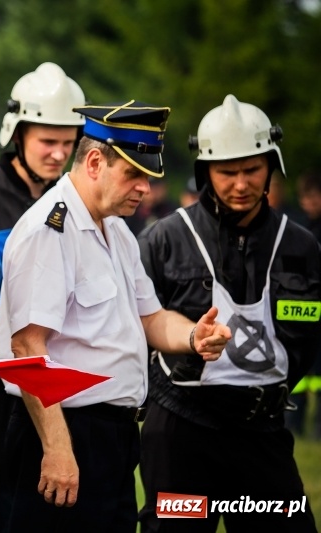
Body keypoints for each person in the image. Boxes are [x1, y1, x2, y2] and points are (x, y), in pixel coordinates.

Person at [0, 100, 231, 532]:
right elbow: (27, 348)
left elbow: (151, 318)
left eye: (148, 177)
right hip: (64, 429)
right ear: (95, 162)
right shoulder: (49, 230)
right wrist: (58, 447)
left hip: (114, 436)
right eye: (134, 174)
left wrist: (195, 336)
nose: (144, 188)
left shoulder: (116, 227)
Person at [137, 95, 320, 531]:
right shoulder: (163, 239)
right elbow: (137, 324)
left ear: (271, 167)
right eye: (227, 172)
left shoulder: (302, 247)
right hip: (181, 434)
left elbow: (309, 338)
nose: (241, 183)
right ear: (205, 172)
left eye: (252, 169)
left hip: (263, 437)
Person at [0, 61, 85, 533]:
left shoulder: (75, 204)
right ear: (18, 133)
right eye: (48, 141)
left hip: (55, 377)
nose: (58, 154)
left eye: (68, 144)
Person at [285, 169, 321, 439]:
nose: (306, 202)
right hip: (302, 310)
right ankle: (294, 424)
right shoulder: (300, 227)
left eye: (311, 196)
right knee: (299, 372)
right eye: (303, 197)